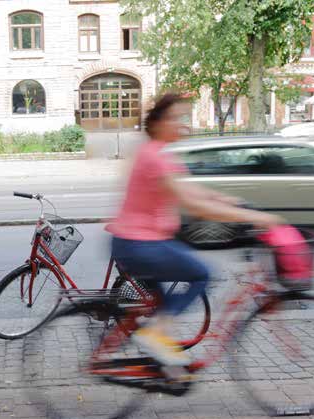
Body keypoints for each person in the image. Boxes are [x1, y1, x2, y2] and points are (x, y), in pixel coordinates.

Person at [108, 93, 283, 375]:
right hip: (141, 245)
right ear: (159, 123)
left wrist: (228, 200)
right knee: (201, 274)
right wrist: (257, 217)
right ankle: (154, 337)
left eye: (183, 118)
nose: (183, 125)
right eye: (177, 118)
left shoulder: (157, 153)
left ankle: (162, 367)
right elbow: (192, 205)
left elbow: (192, 190)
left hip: (134, 242)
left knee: (163, 307)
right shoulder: (156, 158)